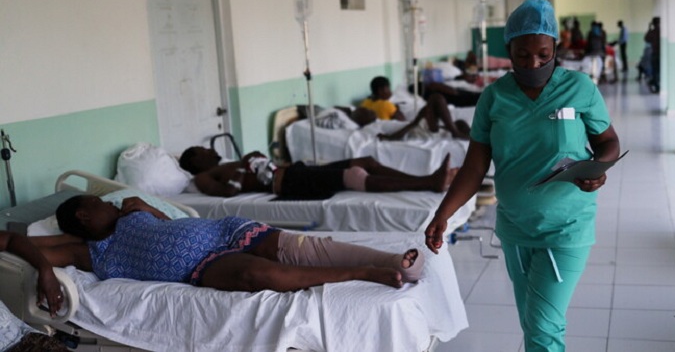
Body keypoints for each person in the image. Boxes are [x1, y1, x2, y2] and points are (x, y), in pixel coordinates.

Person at [424, 0, 620, 352]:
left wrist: (599, 168)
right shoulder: (494, 98)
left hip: (567, 226)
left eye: (544, 55)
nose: (533, 63)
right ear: (509, 51)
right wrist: (444, 214)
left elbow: (607, 141)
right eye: (522, 55)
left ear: (555, 47)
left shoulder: (579, 88)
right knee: (532, 322)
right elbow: (475, 166)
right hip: (515, 229)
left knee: (543, 327)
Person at [0, 196, 424, 295]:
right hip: (200, 268)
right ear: (83, 216)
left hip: (223, 232)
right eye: (100, 202)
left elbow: (175, 226)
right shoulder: (86, 252)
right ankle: (363, 273)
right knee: (254, 275)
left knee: (298, 247)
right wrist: (44, 270)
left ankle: (390, 260)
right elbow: (12, 239)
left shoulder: (131, 212)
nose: (110, 201)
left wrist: (149, 207)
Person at [179, 147, 455, 200]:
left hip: (294, 171)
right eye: (202, 151)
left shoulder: (225, 164)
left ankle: (427, 179)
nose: (210, 150)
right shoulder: (202, 178)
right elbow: (228, 192)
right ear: (195, 161)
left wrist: (255, 159)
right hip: (287, 184)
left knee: (366, 161)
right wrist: (242, 166)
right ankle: (428, 184)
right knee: (354, 176)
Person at [378, 92, 471, 141]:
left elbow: (409, 124)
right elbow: (405, 128)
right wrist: (389, 138)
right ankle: (456, 133)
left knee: (461, 123)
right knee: (436, 97)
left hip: (428, 127)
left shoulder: (423, 112)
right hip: (424, 132)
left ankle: (466, 135)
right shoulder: (387, 106)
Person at [644, 16, 661, 93]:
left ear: (653, 23)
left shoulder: (653, 32)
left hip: (655, 53)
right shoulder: (662, 31)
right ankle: (657, 85)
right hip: (660, 54)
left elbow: (646, 39)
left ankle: (657, 87)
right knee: (658, 71)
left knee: (655, 70)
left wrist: (649, 28)